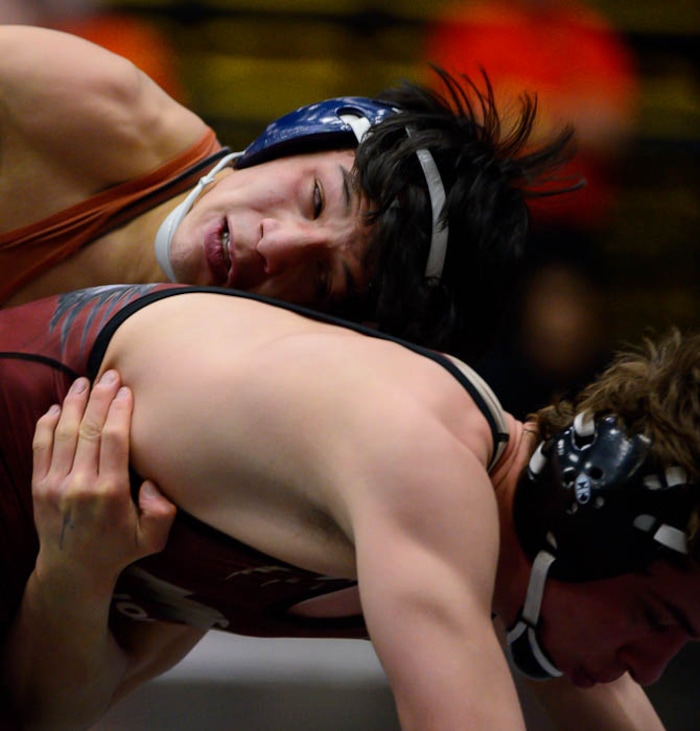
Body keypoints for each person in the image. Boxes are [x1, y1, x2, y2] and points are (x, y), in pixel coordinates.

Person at [1, 282, 698, 730]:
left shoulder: (481, 554)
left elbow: (46, 708)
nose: (652, 663)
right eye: (656, 618)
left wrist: (72, 581)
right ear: (584, 516)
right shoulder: (419, 460)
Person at [0, 24, 578, 361]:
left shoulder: (217, 394)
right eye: (317, 200)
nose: (280, 246)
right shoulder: (80, 103)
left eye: (324, 278)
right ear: (296, 134)